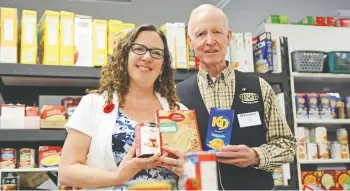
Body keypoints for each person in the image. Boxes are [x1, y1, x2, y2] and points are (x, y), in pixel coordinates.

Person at [176, 4, 297, 190]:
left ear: (228, 36)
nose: (210, 41)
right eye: (201, 34)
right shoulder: (177, 95)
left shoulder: (259, 87)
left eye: (217, 32)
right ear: (190, 42)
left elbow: (287, 145)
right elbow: (173, 154)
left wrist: (256, 155)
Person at [59, 24, 187, 190]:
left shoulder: (179, 112)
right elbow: (66, 172)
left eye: (156, 53)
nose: (147, 57)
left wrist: (190, 170)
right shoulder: (94, 104)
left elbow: (195, 178)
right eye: (139, 49)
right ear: (125, 56)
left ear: (162, 66)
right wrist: (118, 176)